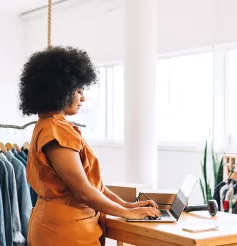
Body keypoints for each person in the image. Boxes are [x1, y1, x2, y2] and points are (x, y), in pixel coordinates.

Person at [19, 46, 161, 246]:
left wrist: (126, 205)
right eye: (78, 91)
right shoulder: (55, 131)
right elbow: (83, 191)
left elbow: (94, 186)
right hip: (64, 232)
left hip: (64, 226)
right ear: (59, 91)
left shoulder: (51, 125)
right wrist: (129, 212)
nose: (83, 98)